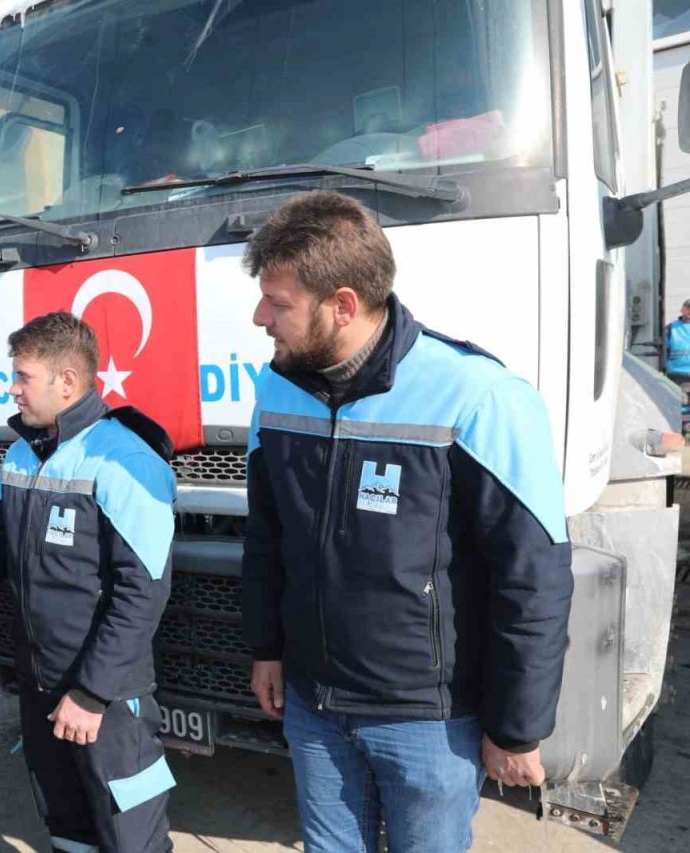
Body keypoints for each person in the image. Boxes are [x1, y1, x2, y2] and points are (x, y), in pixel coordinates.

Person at [240, 192, 573, 853]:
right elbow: (266, 538)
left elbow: (532, 577)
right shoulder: (277, 389)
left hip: (429, 722)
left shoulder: (480, 396)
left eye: (277, 303)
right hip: (315, 705)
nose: (260, 318)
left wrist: (515, 728)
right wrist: (266, 648)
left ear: (342, 304)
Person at [0, 312, 178, 853]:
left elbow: (143, 595)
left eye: (23, 377)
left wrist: (90, 695)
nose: (13, 389)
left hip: (106, 698)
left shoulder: (126, 459)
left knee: (130, 834)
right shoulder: (23, 453)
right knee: (66, 827)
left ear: (67, 381)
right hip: (40, 685)